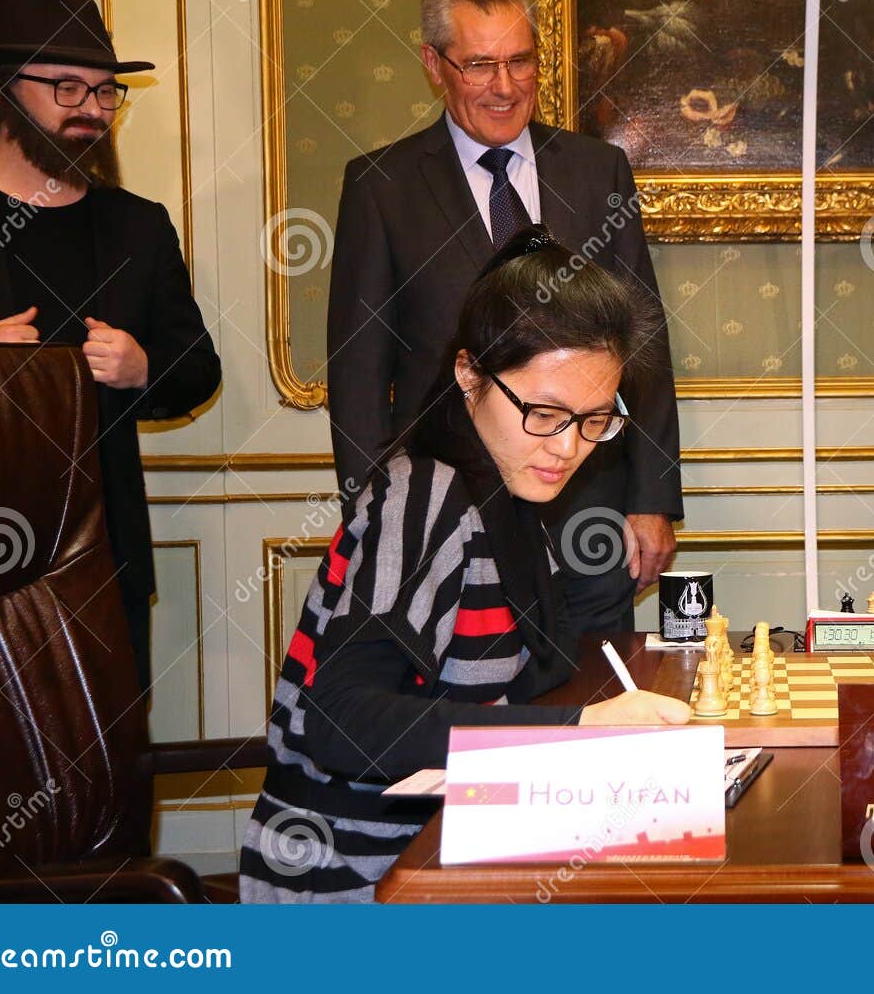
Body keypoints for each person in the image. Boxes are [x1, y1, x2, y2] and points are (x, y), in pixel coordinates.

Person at [242, 231, 692, 903]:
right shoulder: (426, 498)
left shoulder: (504, 491)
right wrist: (580, 732)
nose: (568, 447)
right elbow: (339, 721)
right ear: (469, 374)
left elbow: (531, 669)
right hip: (357, 883)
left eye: (595, 419)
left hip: (449, 853)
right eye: (543, 413)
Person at [328, 0, 682, 650]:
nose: (506, 86)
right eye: (481, 64)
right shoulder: (381, 186)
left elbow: (644, 342)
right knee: (477, 713)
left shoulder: (596, 170)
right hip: (447, 508)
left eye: (520, 61)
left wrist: (652, 496)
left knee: (596, 699)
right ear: (434, 64)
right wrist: (373, 513)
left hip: (589, 505)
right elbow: (359, 370)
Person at [0, 0, 220, 691]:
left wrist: (141, 369)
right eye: (66, 87)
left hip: (100, 558)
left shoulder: (137, 223)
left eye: (103, 91)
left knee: (109, 774)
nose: (91, 110)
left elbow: (197, 368)